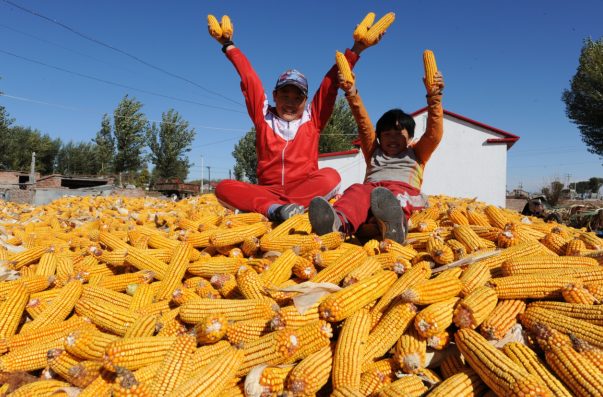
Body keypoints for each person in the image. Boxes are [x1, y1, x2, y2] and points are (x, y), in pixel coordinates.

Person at [211, 22, 385, 222]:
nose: (290, 104)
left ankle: (277, 209)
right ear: (274, 96)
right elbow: (249, 78)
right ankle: (275, 209)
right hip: (267, 191)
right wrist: (229, 45)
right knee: (223, 187)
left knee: (331, 176)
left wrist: (356, 50)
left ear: (306, 101)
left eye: (297, 98)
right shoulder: (263, 117)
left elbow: (330, 83)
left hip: (303, 190)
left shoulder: (313, 119)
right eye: (285, 96)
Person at [308, 68, 445, 243]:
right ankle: (338, 223)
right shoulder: (374, 151)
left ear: (410, 138)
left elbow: (434, 134)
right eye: (386, 134)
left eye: (398, 134)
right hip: (372, 192)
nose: (392, 139)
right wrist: (351, 93)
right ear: (379, 137)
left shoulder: (417, 152)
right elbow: (364, 124)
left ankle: (397, 225)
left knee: (397, 195)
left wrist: (434, 97)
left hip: (403, 192)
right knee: (357, 190)